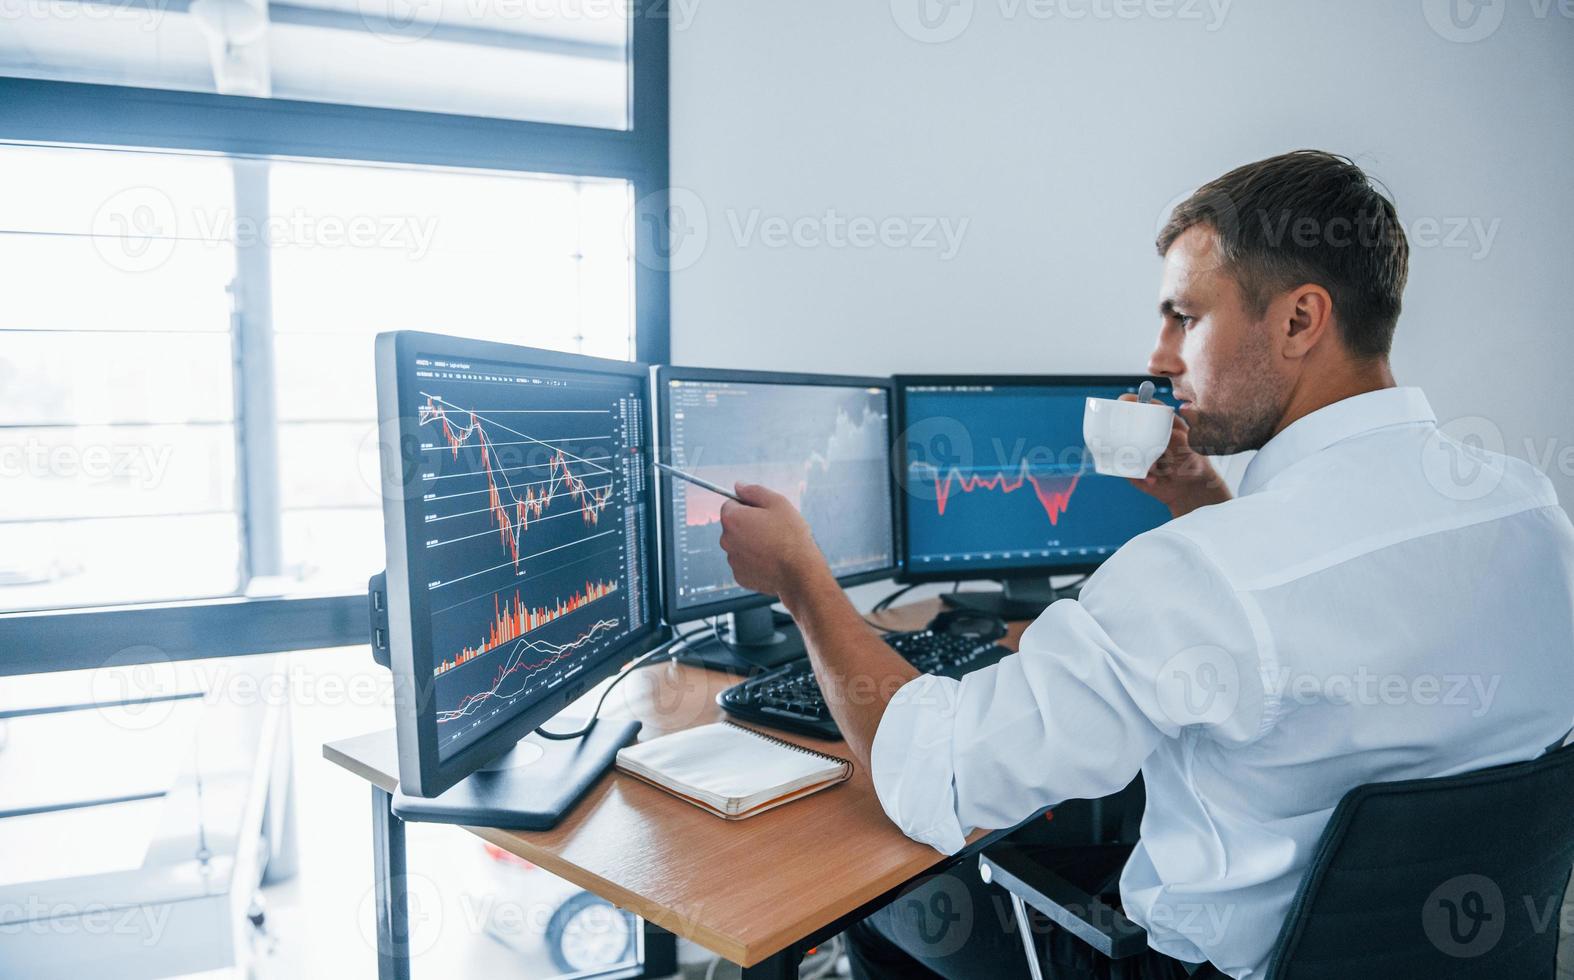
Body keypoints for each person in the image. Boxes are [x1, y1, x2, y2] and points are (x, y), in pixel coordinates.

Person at [715, 150, 1574, 979]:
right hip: (1463, 953)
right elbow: (1322, 622)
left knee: (879, 904)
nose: (1161, 358)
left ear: (1300, 320)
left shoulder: (1198, 575)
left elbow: (939, 771)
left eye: (1186, 317)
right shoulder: (1529, 509)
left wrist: (802, 580)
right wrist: (1206, 509)